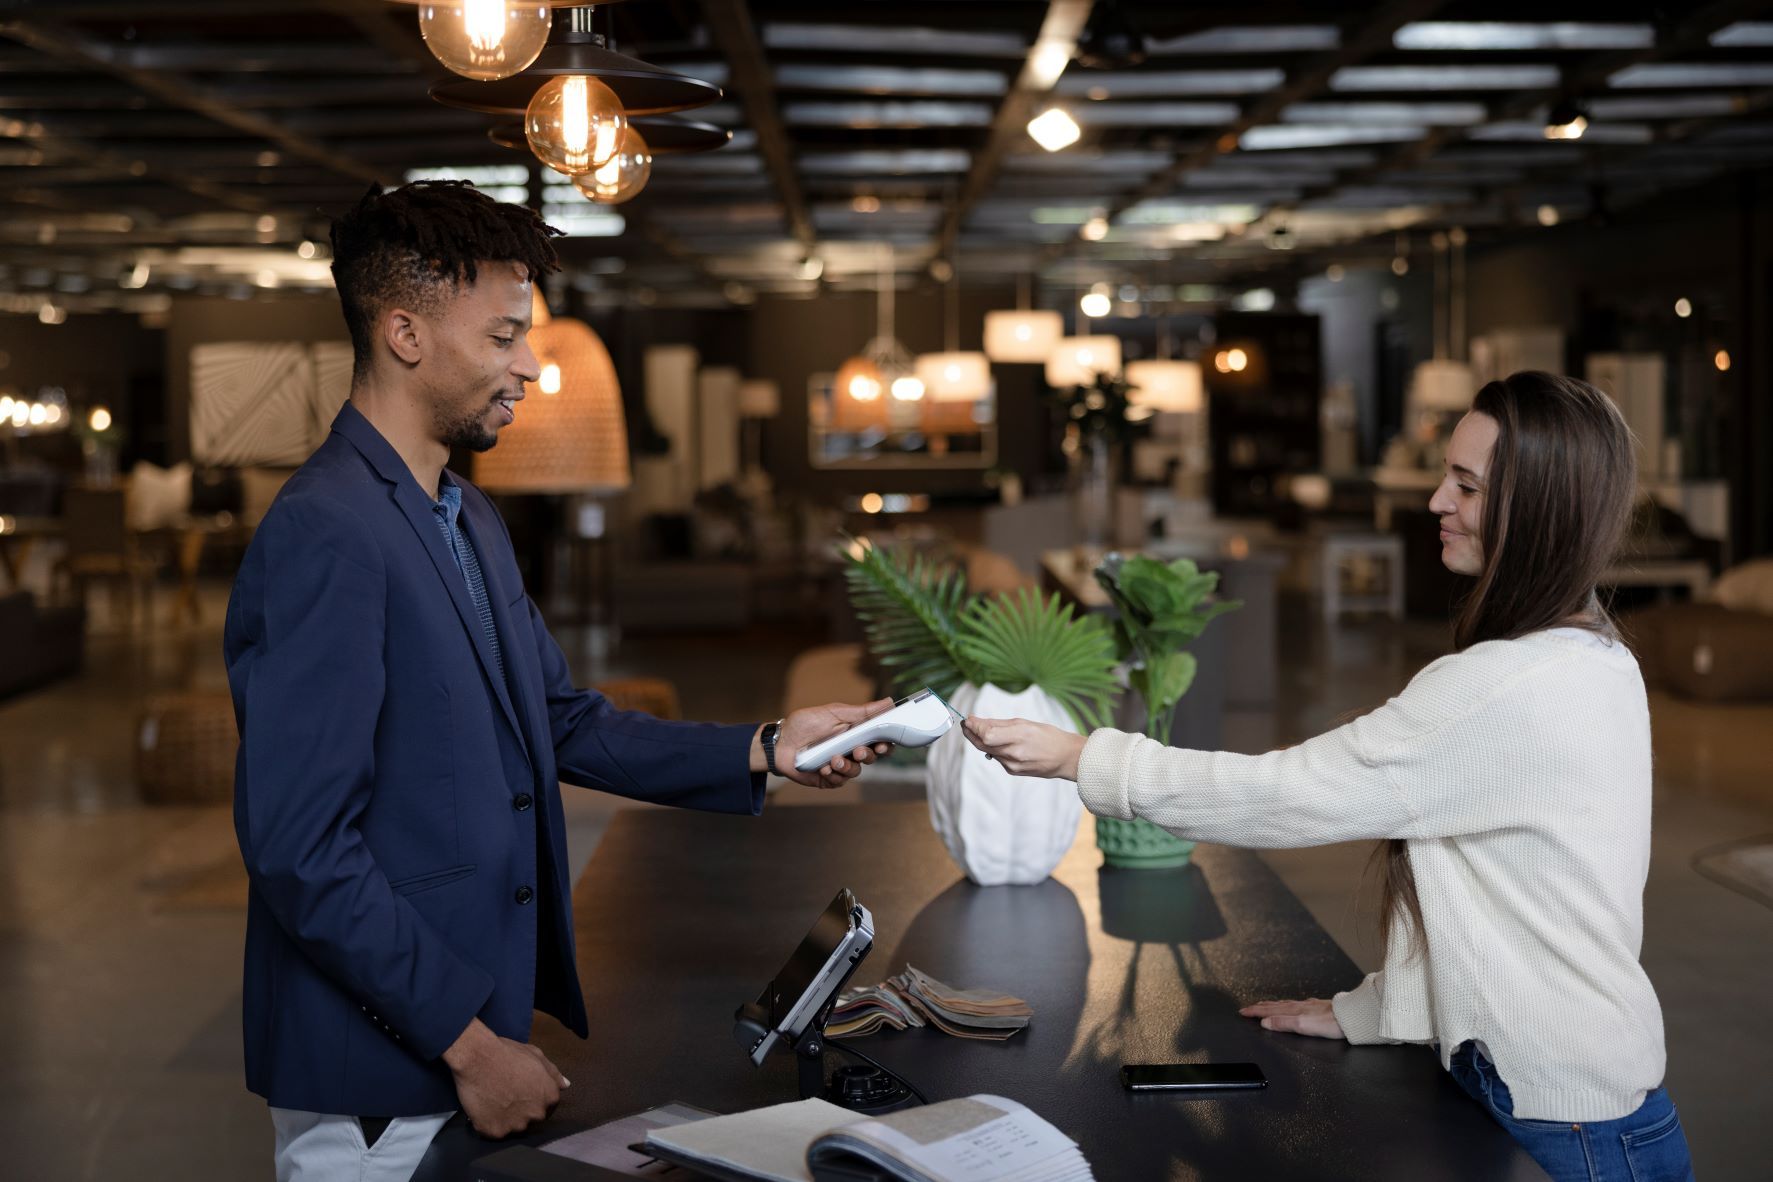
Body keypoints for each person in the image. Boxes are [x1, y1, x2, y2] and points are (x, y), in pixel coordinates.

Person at [225, 180, 892, 1181]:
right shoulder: (326, 530)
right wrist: (471, 1042)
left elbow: (559, 720)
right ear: (404, 332)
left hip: (460, 1035)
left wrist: (768, 747)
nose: (530, 366)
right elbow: (299, 848)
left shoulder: (465, 514)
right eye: (503, 337)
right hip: (377, 1083)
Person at [963, 372, 1695, 1182]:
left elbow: (1287, 795)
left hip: (1566, 1133)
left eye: (1466, 485)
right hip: (1593, 1105)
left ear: (1540, 509)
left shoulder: (1502, 688)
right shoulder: (1597, 656)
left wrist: (1082, 759)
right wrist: (1373, 1009)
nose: (1434, 502)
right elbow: (1508, 893)